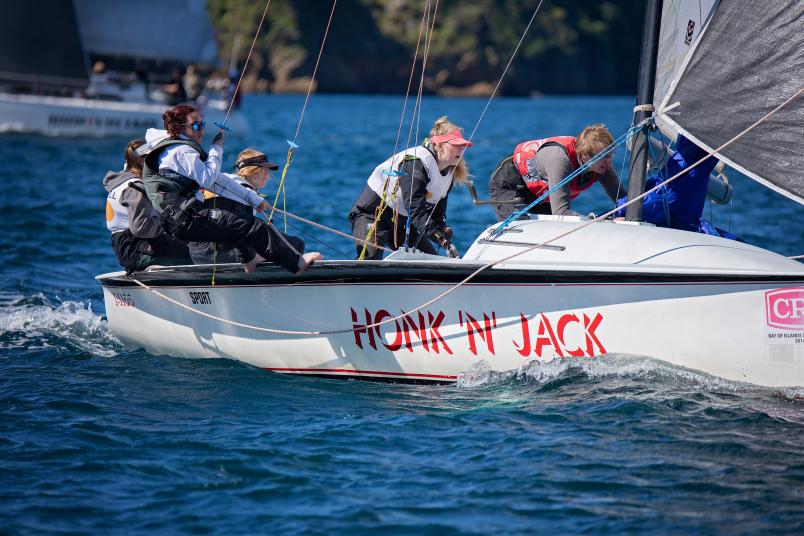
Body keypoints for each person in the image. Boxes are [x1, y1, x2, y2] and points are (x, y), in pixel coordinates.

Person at [141, 104, 321, 274]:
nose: (202, 130)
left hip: (180, 217)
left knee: (239, 225)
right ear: (180, 128)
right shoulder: (181, 151)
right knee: (251, 225)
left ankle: (249, 260)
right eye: (196, 126)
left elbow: (218, 181)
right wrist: (216, 149)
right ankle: (296, 264)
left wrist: (255, 200)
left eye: (202, 124)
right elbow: (207, 178)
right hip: (184, 218)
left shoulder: (177, 150)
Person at [348, 116, 471, 259]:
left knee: (430, 263)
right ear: (438, 145)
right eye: (455, 145)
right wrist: (440, 239)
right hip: (373, 214)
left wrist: (443, 230)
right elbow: (416, 210)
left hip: (403, 222)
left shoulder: (450, 173)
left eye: (462, 145)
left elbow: (435, 215)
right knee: (370, 259)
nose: (461, 149)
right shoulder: (417, 162)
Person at [188, 148, 305, 264]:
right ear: (250, 170)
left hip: (196, 254)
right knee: (296, 244)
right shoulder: (242, 188)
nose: (267, 175)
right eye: (263, 170)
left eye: (267, 171)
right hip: (223, 255)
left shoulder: (221, 181)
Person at [488, 124, 624, 221]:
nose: (609, 161)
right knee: (518, 226)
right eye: (604, 156)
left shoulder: (601, 165)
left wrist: (629, 215)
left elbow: (623, 200)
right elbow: (561, 212)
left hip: (543, 194)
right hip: (511, 183)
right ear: (584, 154)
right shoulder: (560, 161)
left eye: (611, 154)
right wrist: (594, 221)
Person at [614, 134, 738, 239]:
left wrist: (619, 211)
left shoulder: (680, 177)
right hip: (685, 216)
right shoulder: (681, 171)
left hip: (681, 214)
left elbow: (662, 203)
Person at [104, 139, 192, 272]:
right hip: (136, 249)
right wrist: (169, 223)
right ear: (141, 160)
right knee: (194, 252)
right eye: (156, 158)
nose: (159, 162)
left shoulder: (121, 183)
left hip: (127, 247)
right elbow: (140, 228)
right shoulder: (135, 188)